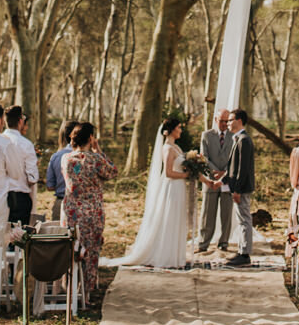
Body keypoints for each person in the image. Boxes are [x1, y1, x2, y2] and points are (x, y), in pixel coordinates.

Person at [102, 116, 191, 269]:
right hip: (172, 188)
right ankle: (166, 255)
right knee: (170, 219)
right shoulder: (168, 149)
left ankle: (176, 255)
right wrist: (186, 176)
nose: (181, 131)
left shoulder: (177, 147)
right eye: (178, 128)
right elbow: (169, 173)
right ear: (171, 130)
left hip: (179, 188)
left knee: (177, 218)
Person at [60, 122, 116, 308]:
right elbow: (112, 171)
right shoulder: (95, 160)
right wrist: (98, 150)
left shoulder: (66, 159)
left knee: (72, 249)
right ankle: (86, 293)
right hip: (92, 212)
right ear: (90, 138)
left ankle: (68, 287)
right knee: (91, 253)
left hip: (71, 211)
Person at [196, 110, 236, 254]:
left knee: (226, 212)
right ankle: (203, 243)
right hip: (210, 179)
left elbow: (234, 159)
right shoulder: (206, 135)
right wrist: (214, 172)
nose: (225, 124)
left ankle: (223, 242)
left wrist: (224, 173)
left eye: (227, 121)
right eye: (222, 121)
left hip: (227, 180)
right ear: (215, 119)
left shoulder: (234, 136)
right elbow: (204, 157)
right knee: (207, 212)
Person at [222, 109, 257, 266]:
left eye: (230, 120)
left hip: (241, 189)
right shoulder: (238, 139)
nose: (227, 123)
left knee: (244, 220)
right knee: (242, 219)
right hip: (236, 187)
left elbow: (243, 169)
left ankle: (244, 254)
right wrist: (223, 180)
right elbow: (233, 167)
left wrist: (237, 190)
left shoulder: (244, 140)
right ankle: (242, 250)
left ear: (240, 120)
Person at [1, 105, 39, 225]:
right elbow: (32, 178)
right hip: (19, 197)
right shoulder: (26, 144)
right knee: (19, 238)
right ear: (21, 121)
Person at [46, 120, 79, 222]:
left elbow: (50, 186)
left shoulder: (56, 156)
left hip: (60, 204)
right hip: (80, 205)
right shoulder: (84, 157)